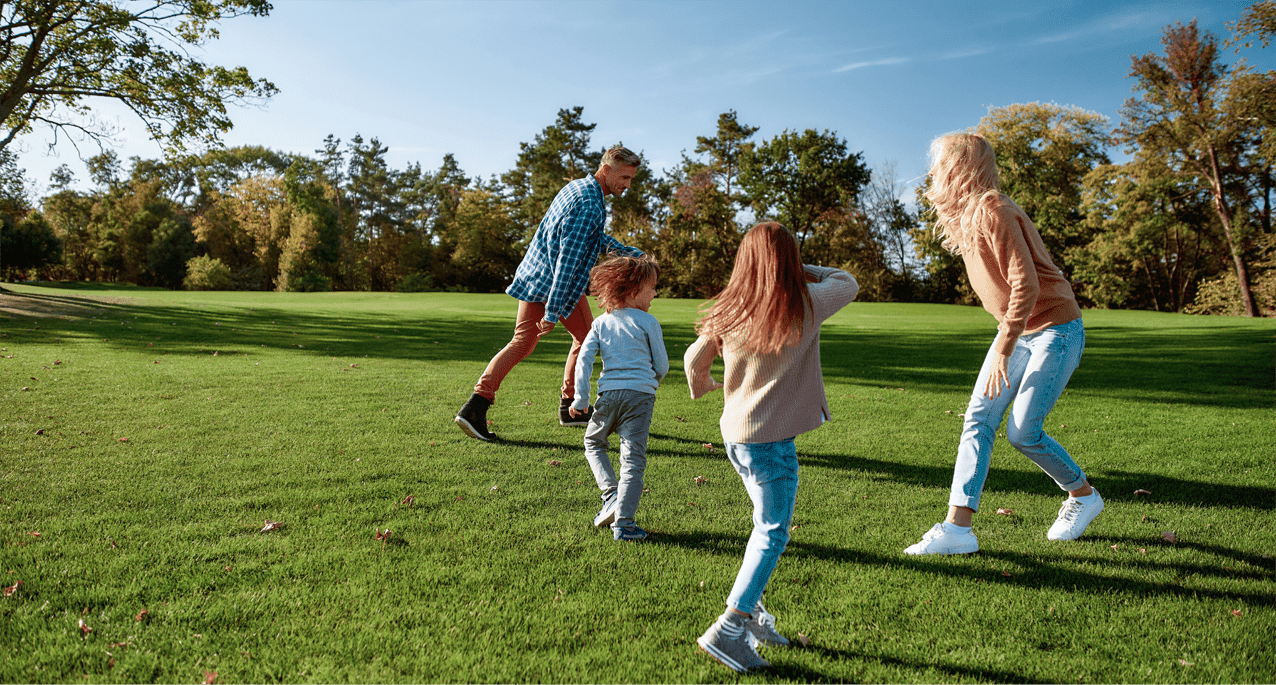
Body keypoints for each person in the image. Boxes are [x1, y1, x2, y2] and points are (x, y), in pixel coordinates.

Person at [904, 132, 1102, 556]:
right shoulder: (967, 218)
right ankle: (958, 529)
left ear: (958, 167)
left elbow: (1025, 284)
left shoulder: (993, 208)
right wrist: (1007, 338)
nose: (932, 172)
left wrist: (1005, 346)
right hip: (1015, 331)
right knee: (977, 419)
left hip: (1055, 329)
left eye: (938, 164)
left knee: (1023, 431)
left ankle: (1083, 496)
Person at [684, 222, 859, 673]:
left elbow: (692, 359)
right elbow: (847, 281)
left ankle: (755, 618)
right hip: (770, 441)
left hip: (736, 436)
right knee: (772, 532)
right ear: (790, 260)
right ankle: (730, 626)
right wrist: (800, 270)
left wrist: (703, 386)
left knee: (764, 527)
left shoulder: (732, 309)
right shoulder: (805, 301)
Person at [454, 146, 645, 441]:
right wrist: (552, 311)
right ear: (606, 169)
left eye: (631, 178)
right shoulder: (589, 204)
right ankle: (567, 407)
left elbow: (593, 239)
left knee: (527, 342)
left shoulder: (579, 188)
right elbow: (567, 262)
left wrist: (631, 253)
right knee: (583, 338)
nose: (627, 185)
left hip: (536, 276)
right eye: (624, 177)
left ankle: (480, 405)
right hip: (555, 285)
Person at [568, 255, 667, 542]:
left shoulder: (601, 323)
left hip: (608, 394)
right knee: (633, 460)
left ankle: (610, 494)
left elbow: (584, 360)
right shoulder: (648, 321)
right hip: (641, 397)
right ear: (634, 292)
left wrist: (580, 399)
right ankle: (624, 525)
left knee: (593, 442)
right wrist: (650, 385)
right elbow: (661, 366)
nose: (655, 294)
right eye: (652, 288)